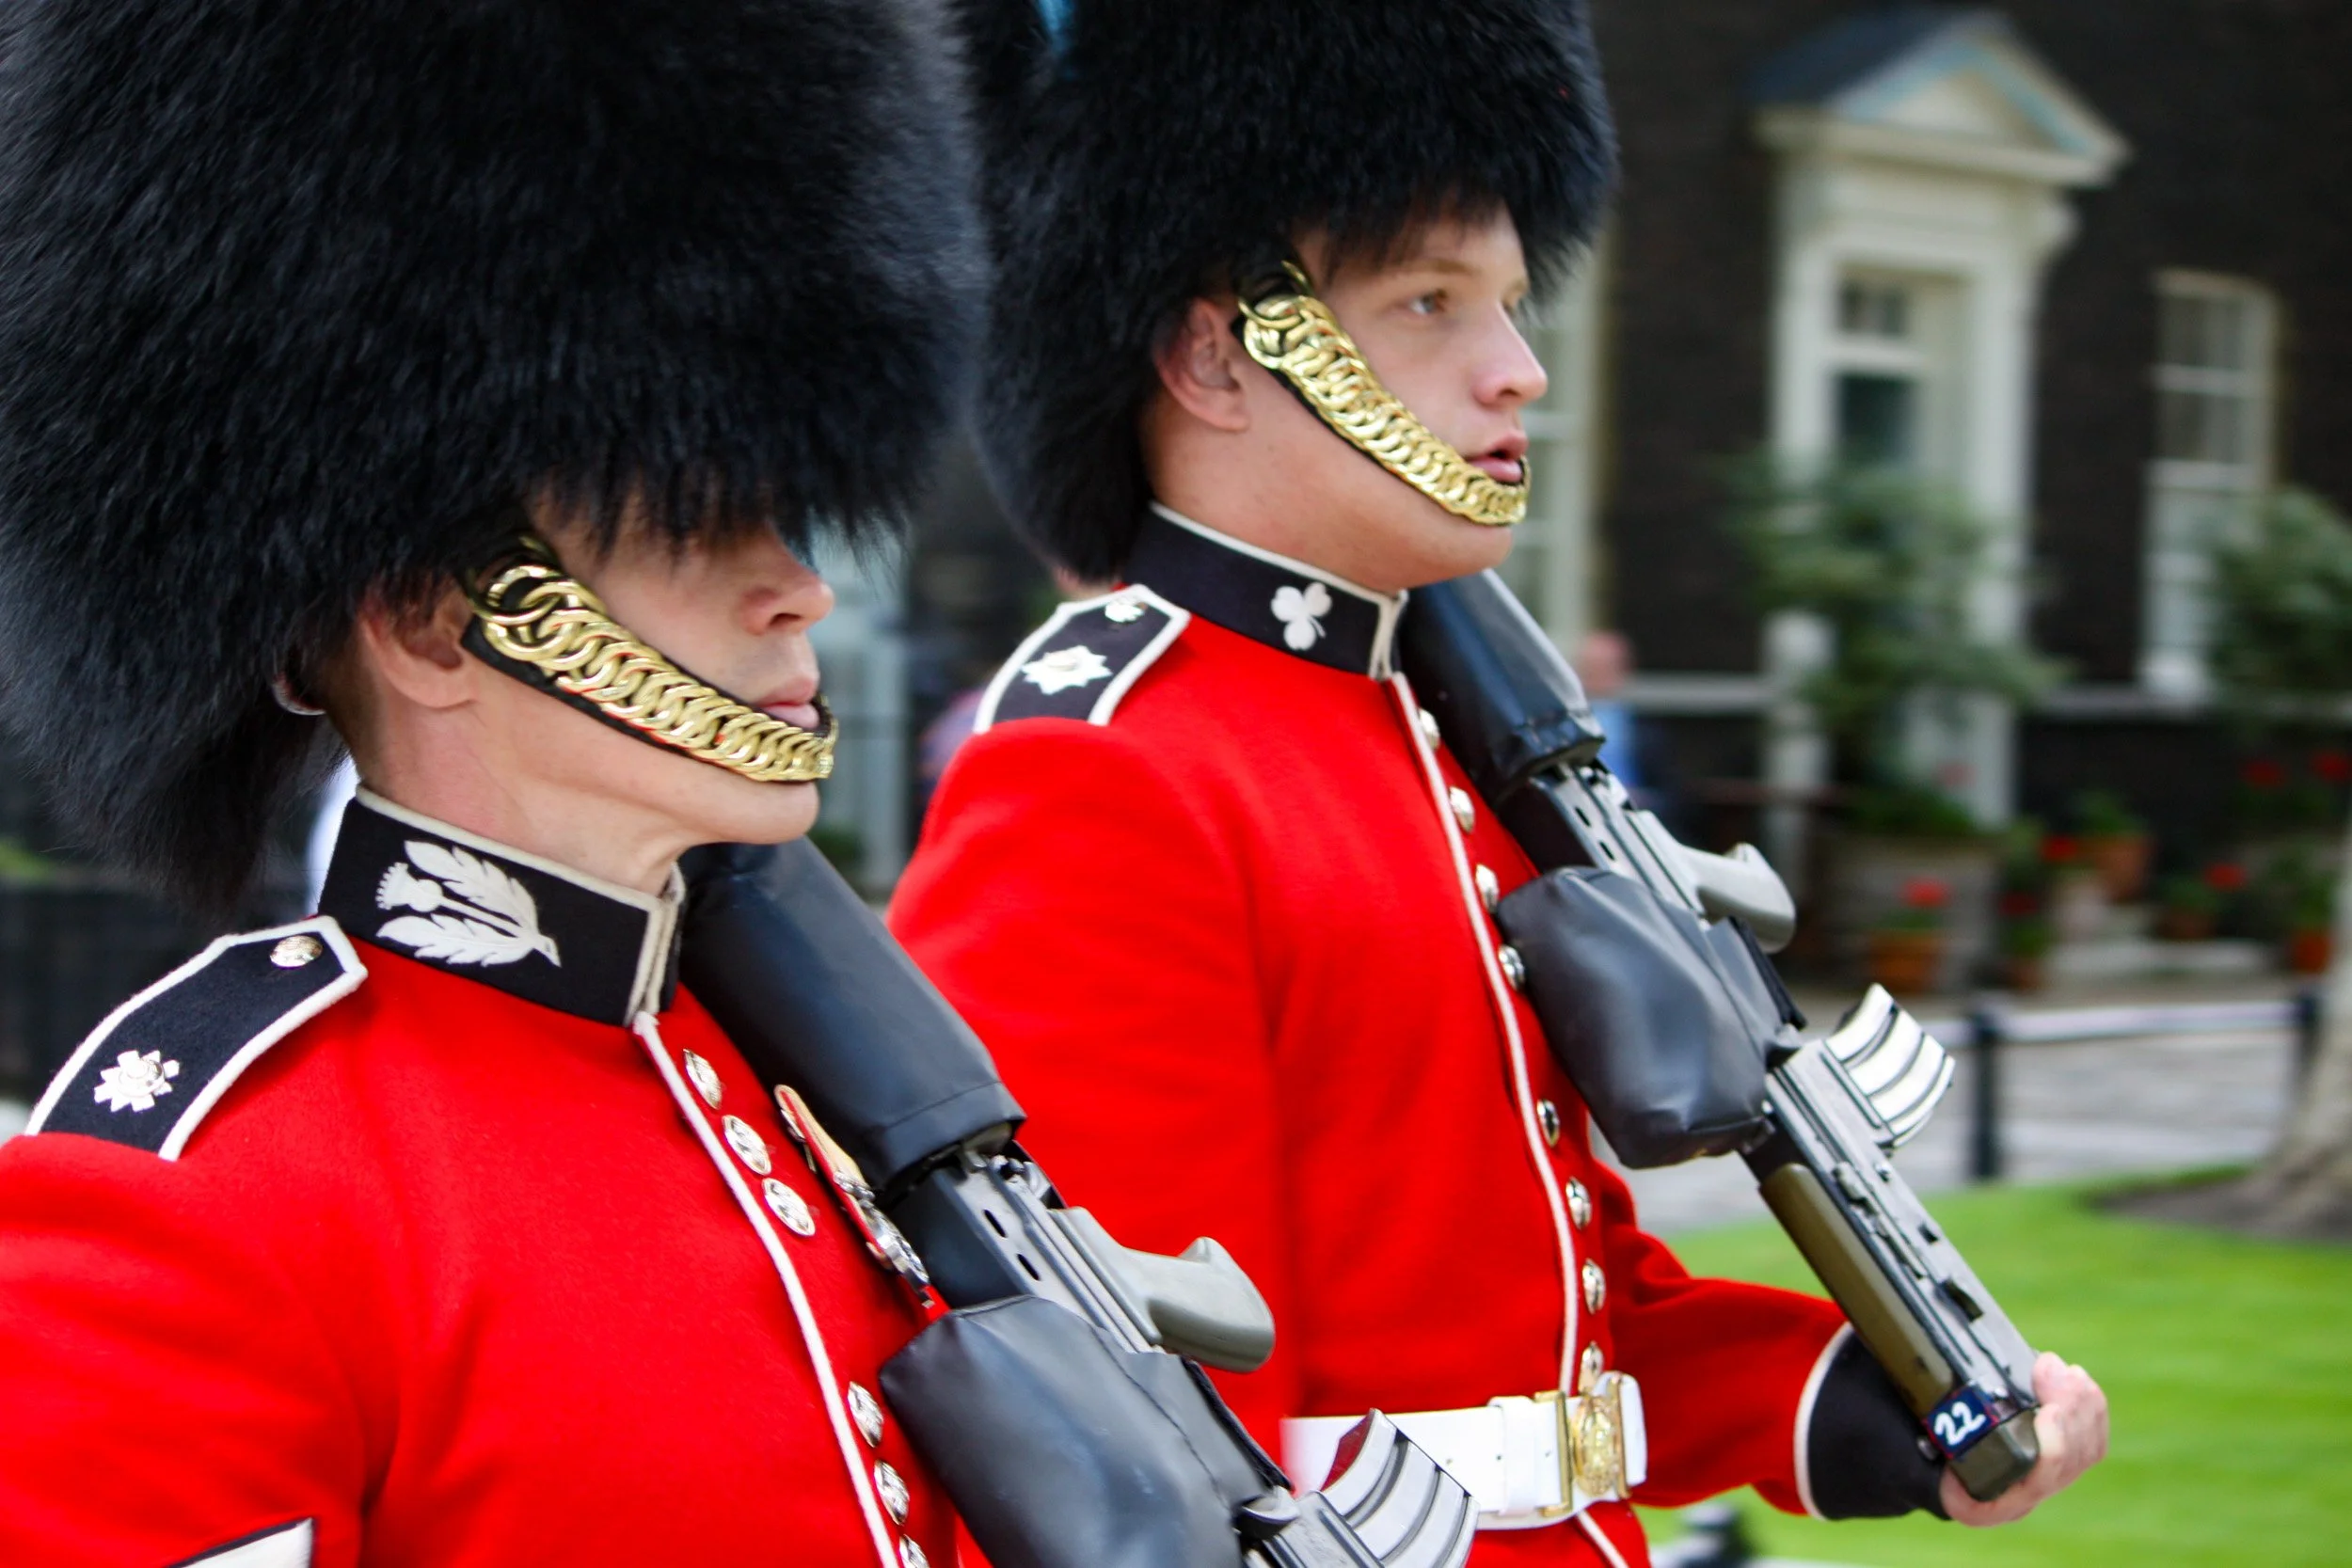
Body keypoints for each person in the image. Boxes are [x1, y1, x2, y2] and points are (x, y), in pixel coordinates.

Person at [892, 3, 2107, 1563]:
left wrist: (1873, 1412)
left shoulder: (1447, 743)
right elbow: (1156, 1413)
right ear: (1215, 351)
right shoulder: (1102, 766)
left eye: (1513, 304)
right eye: (1432, 303)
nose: (1518, 369)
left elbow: (1563, 1310)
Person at [0, 2, 981, 1562]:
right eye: (692, 515)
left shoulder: (807, 1078)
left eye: (783, 504)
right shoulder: (212, 1189)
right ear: (433, 620)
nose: (799, 585)